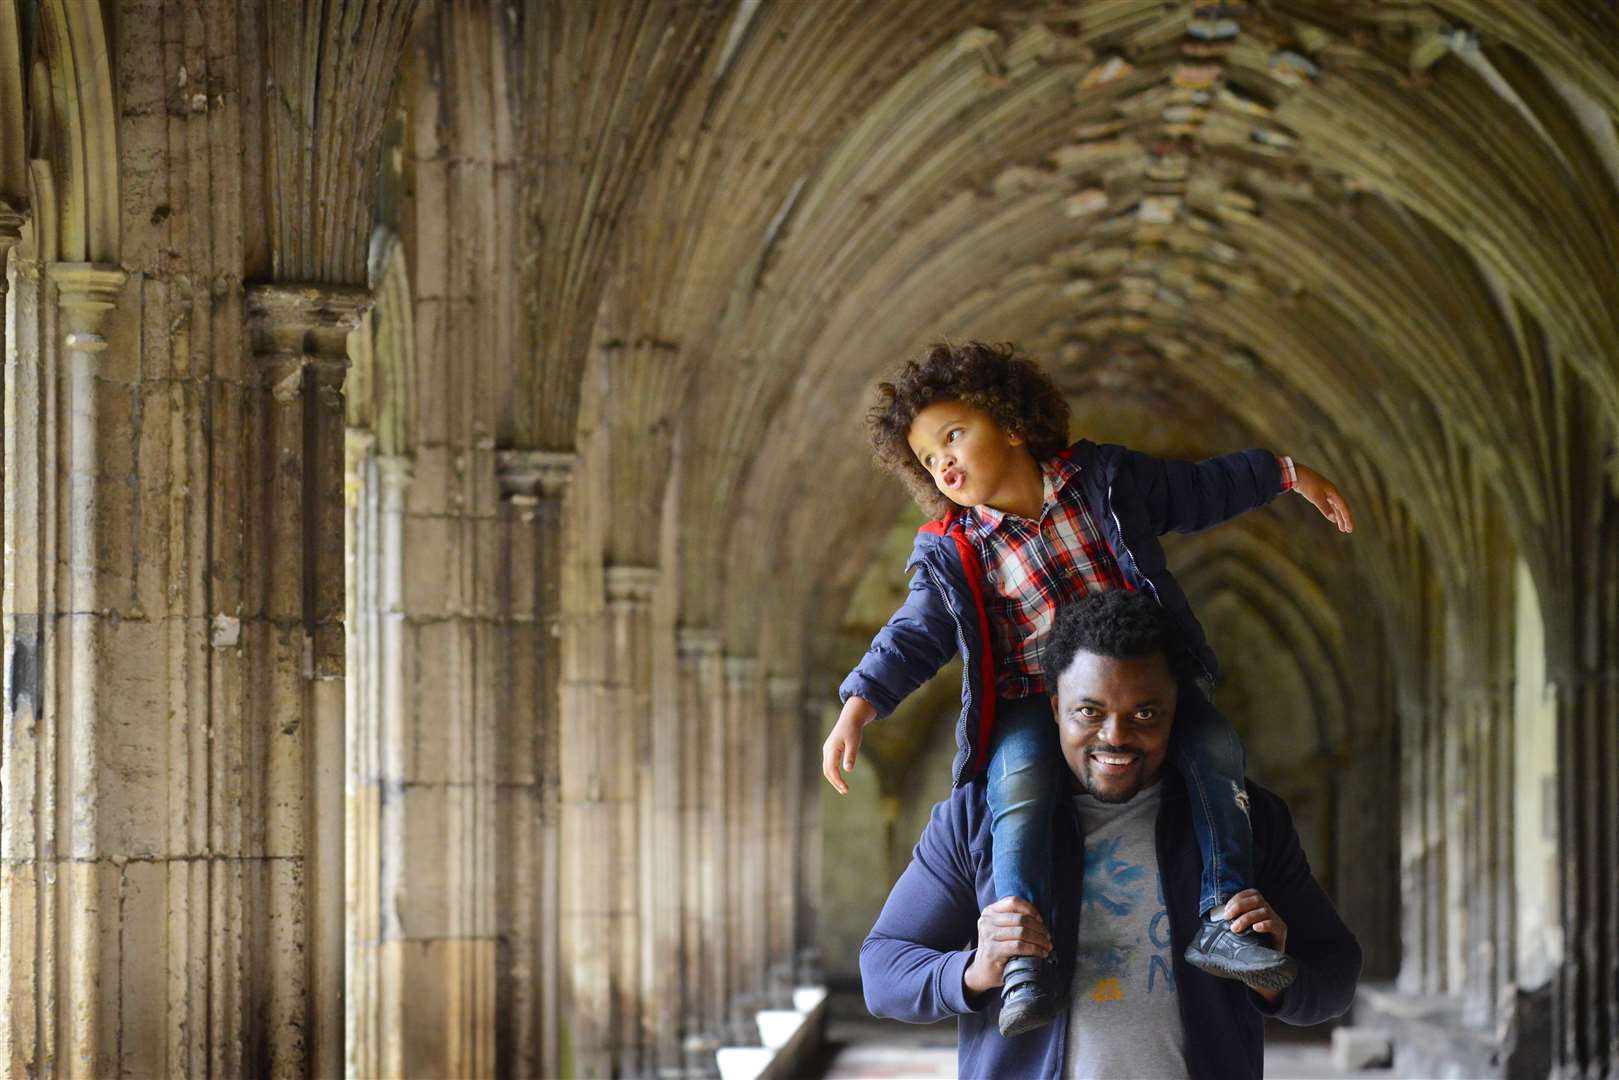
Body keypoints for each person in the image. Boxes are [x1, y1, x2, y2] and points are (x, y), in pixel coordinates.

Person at [825, 341, 1354, 1034]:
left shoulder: (1101, 482)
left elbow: (1194, 491)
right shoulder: (955, 550)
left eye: (953, 435)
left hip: (1146, 672)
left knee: (1215, 745)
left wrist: (1283, 474)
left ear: (1009, 422)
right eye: (928, 459)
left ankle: (1225, 920)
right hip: (1024, 701)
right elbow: (914, 636)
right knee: (1015, 791)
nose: (943, 461)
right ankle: (1023, 960)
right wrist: (857, 707)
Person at [859, 590, 1363, 1078]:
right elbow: (882, 972)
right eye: (1089, 711)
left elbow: (1336, 975)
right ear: (1055, 707)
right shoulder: (978, 819)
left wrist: (1275, 979)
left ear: (1177, 712)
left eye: (1145, 714)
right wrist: (974, 970)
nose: (1115, 736)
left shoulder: (1245, 819)